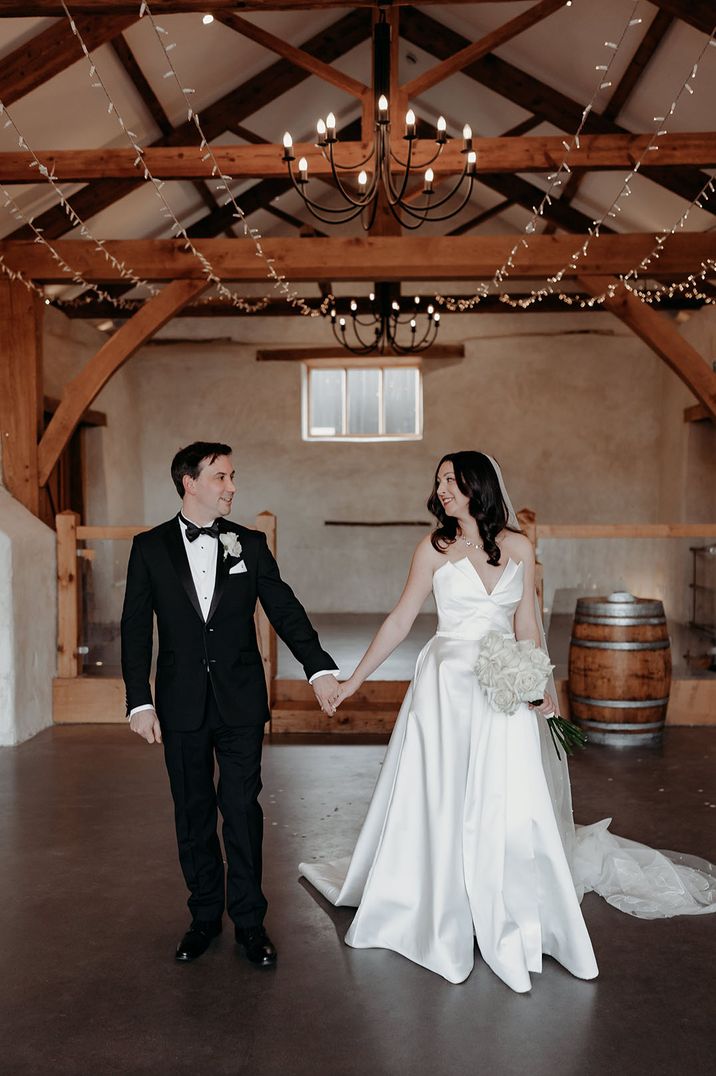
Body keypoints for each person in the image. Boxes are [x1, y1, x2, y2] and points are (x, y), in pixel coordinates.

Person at [300, 451, 716, 991]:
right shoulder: (432, 548)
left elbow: (527, 626)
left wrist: (544, 688)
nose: (443, 489)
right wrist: (354, 680)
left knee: (508, 798)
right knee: (445, 795)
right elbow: (402, 620)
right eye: (439, 482)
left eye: (452, 480)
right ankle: (440, 899)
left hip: (504, 690)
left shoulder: (519, 546)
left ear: (479, 485)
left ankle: (504, 896)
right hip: (447, 690)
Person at [121, 442, 339, 966]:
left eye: (233, 476)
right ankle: (202, 919)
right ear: (189, 483)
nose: (232, 487)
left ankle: (249, 923)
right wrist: (139, 702)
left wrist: (319, 668)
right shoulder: (148, 547)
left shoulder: (250, 544)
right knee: (193, 813)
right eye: (220, 477)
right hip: (179, 703)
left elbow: (284, 608)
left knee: (241, 811)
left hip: (240, 701)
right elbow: (135, 630)